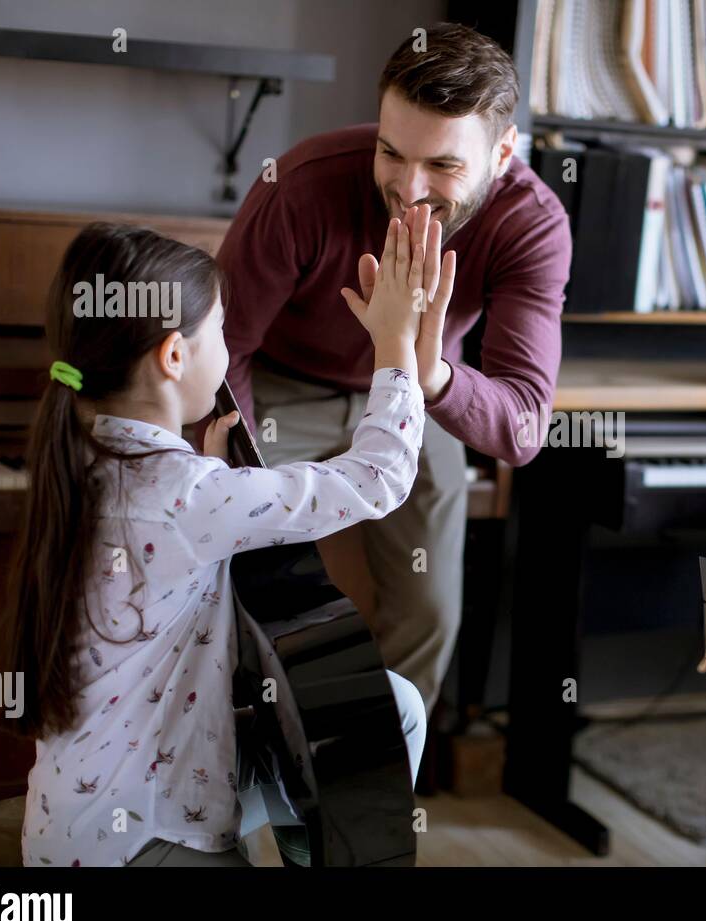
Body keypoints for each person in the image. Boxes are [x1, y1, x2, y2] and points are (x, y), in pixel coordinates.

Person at [4, 207, 452, 866]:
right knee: (370, 726)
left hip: (71, 824)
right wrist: (395, 351)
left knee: (389, 708)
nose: (230, 343)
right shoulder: (187, 495)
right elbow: (378, 478)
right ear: (175, 356)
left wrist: (213, 471)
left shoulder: (82, 459)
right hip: (145, 843)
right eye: (220, 329)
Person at [215, 23, 573, 713]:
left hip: (424, 389)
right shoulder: (298, 187)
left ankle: (377, 784)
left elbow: (523, 427)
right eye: (391, 153)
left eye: (443, 165)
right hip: (288, 388)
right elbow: (224, 355)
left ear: (503, 154)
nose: (409, 189)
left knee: (431, 611)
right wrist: (243, 487)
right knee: (237, 579)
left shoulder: (533, 225)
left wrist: (431, 372)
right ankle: (251, 777)